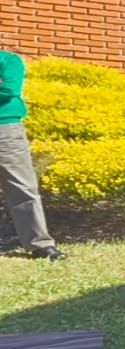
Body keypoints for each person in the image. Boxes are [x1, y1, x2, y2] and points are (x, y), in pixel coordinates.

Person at [0, 51, 63, 261]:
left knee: (22, 186)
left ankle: (40, 245)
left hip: (5, 130)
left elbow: (9, 89)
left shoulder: (8, 60)